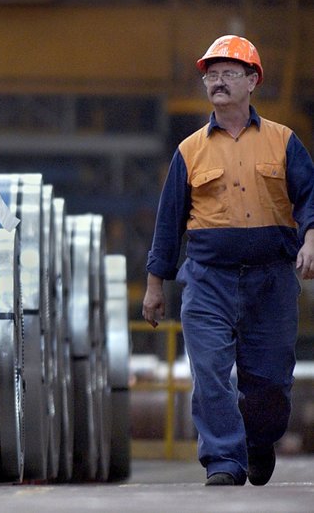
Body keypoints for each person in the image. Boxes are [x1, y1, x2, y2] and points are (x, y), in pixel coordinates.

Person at [142, 34, 314, 487]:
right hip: (207, 279)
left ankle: (259, 442)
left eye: (228, 74)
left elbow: (309, 198)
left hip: (272, 280)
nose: (217, 82)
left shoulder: (283, 141)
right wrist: (155, 284)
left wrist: (310, 238)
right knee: (210, 374)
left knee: (271, 383)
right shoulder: (190, 150)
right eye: (211, 76)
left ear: (252, 80)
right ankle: (223, 461)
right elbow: (169, 222)